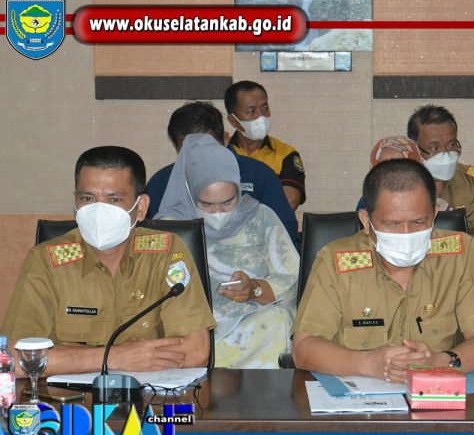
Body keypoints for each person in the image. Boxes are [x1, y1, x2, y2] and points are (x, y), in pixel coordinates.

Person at [0, 146, 215, 376]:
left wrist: (68, 355)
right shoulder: (47, 260)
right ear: (75, 202)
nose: (98, 210)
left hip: (148, 393)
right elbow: (13, 359)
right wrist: (116, 357)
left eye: (114, 199)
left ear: (140, 207)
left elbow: (196, 351)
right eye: (87, 198)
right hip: (70, 397)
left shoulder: (166, 252)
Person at [292, 159, 474, 381]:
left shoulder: (461, 253)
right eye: (392, 224)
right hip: (359, 394)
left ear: (434, 214)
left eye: (418, 222)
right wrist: (369, 363)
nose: (406, 234)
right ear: (366, 221)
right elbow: (304, 348)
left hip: (437, 393)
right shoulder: (336, 261)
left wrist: (440, 362)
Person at [157, 134, 299, 369]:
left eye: (227, 202)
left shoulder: (260, 216)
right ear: (191, 194)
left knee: (277, 321)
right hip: (190, 328)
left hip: (253, 321)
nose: (218, 212)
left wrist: (253, 288)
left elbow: (292, 279)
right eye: (206, 204)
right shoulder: (170, 228)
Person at [145, 101, 298, 244]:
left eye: (206, 146)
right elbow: (149, 242)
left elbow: (285, 233)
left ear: (224, 140)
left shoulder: (259, 174)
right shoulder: (161, 183)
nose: (199, 155)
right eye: (188, 149)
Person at [407, 104, 474, 275]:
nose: (446, 153)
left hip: (469, 277)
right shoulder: (399, 188)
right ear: (415, 149)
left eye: (451, 145)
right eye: (435, 148)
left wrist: (470, 286)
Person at [225, 81, 306, 210]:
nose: (261, 116)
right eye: (251, 111)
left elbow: (289, 202)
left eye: (265, 108)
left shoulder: (286, 154)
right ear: (233, 121)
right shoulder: (222, 153)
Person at [355, 135, 423, 211]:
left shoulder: (426, 196)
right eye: (383, 165)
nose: (390, 171)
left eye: (398, 165)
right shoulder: (367, 201)